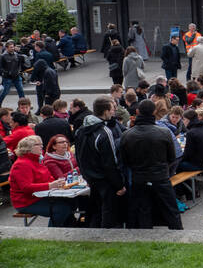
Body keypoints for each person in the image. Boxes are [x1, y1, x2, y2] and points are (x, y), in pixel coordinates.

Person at [119, 99, 181, 229]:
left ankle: (144, 237)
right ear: (154, 112)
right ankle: (177, 233)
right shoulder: (164, 132)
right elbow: (172, 157)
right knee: (171, 210)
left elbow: (124, 160)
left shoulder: (127, 135)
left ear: (137, 111)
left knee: (142, 210)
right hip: (160, 176)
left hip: (139, 177)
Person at [73, 96, 126, 228]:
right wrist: (119, 184)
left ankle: (94, 235)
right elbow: (111, 162)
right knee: (108, 211)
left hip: (91, 178)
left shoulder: (80, 130)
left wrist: (86, 175)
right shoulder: (104, 132)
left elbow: (78, 156)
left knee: (96, 209)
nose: (114, 112)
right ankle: (106, 238)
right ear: (106, 111)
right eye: (112, 109)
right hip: (105, 179)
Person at [9, 134, 75, 226]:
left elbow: (49, 178)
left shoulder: (37, 161)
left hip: (40, 197)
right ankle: (52, 234)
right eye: (38, 144)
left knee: (72, 202)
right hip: (26, 202)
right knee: (62, 209)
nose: (41, 146)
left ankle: (70, 228)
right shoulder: (21, 164)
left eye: (41, 144)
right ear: (28, 148)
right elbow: (26, 187)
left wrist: (57, 184)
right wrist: (50, 185)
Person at [0, 41, 26, 105]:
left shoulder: (17, 55)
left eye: (13, 47)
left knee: (21, 91)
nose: (13, 48)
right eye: (11, 47)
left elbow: (20, 64)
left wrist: (19, 71)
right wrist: (6, 73)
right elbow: (0, 67)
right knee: (5, 92)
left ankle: (24, 104)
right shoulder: (3, 56)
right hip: (7, 77)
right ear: (6, 48)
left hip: (17, 76)